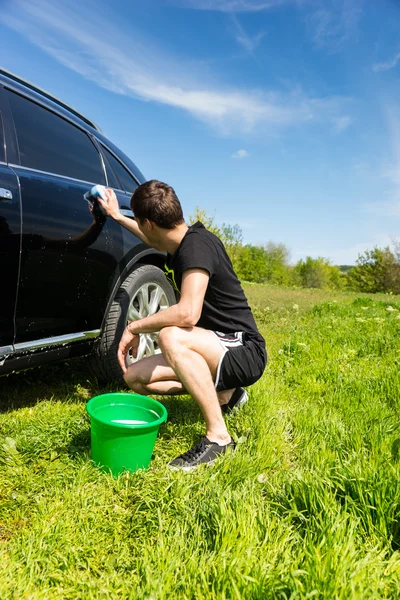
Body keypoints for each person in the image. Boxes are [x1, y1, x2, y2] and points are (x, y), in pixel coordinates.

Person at [97, 181, 267, 471]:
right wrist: (117, 216)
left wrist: (135, 326)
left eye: (141, 223)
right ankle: (228, 394)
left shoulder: (196, 248)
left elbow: (188, 313)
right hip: (215, 346)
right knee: (136, 378)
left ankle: (219, 438)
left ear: (150, 222)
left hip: (243, 350)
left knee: (171, 336)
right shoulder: (179, 242)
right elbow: (151, 238)